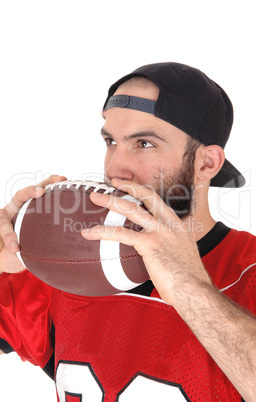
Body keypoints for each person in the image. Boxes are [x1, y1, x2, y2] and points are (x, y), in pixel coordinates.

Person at [0, 62, 256, 401]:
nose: (114, 168)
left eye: (144, 143)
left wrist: (187, 287)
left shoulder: (248, 270)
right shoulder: (66, 269)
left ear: (206, 163)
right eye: (110, 141)